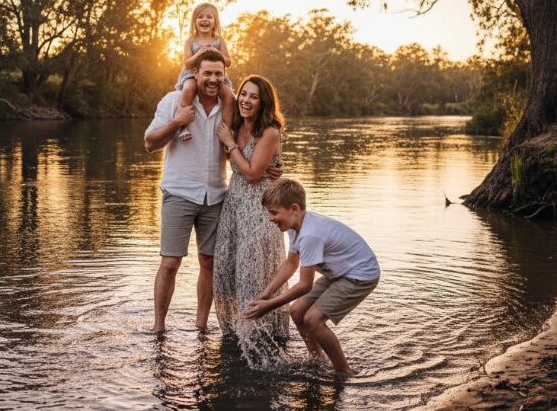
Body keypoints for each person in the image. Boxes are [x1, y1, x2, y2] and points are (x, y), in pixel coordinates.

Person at [144, 49, 281, 332]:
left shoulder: (228, 109)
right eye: (207, 73)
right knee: (170, 262)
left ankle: (201, 327)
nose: (213, 79)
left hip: (216, 196)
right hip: (179, 192)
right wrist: (177, 122)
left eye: (219, 74)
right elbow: (149, 142)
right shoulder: (173, 102)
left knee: (209, 263)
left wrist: (268, 166)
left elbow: (243, 146)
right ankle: (158, 327)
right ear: (196, 74)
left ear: (224, 77)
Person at [244, 178, 380, 375]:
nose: (270, 219)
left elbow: (305, 285)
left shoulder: (310, 235)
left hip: (359, 275)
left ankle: (343, 371)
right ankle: (317, 360)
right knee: (297, 312)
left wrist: (270, 305)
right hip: (338, 273)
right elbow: (291, 263)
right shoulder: (295, 227)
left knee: (313, 319)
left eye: (274, 213)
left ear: (294, 208)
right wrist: (266, 294)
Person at [213, 76, 289, 363]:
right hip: (234, 207)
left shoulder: (269, 132)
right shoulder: (235, 122)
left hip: (259, 211)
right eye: (243, 94)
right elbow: (223, 87)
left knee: (251, 274)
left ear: (264, 102)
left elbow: (254, 173)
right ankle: (234, 335)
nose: (245, 100)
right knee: (225, 269)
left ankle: (259, 338)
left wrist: (230, 143)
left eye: (253, 97)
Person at [174, 3, 235, 143]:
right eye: (200, 17)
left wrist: (216, 53)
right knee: (188, 89)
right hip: (191, 74)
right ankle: (183, 126)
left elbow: (228, 62)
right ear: (194, 22)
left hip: (216, 76)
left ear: (215, 22)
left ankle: (227, 130)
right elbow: (188, 63)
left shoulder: (219, 40)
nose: (205, 19)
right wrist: (199, 54)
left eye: (209, 17)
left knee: (230, 97)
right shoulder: (190, 41)